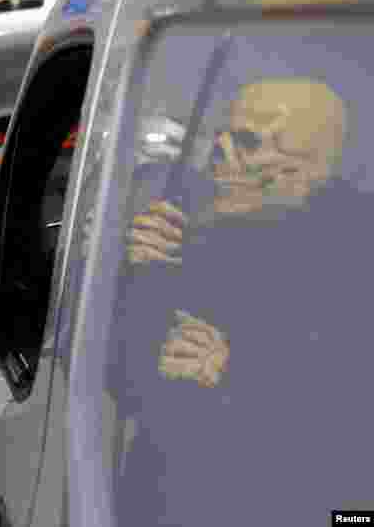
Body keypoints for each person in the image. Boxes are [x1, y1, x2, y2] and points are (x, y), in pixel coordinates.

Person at [110, 77, 374, 526]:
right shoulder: (192, 232)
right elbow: (126, 384)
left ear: (315, 167)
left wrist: (236, 370)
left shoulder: (357, 247)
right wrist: (143, 273)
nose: (219, 153)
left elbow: (351, 408)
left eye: (247, 142)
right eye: (222, 136)